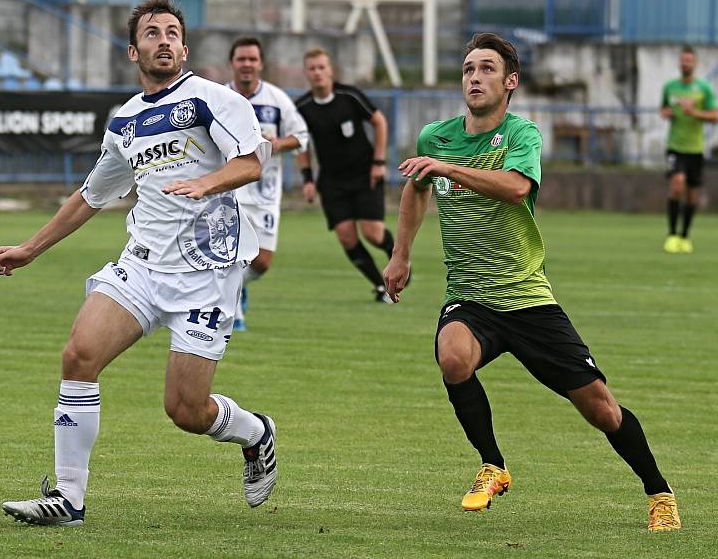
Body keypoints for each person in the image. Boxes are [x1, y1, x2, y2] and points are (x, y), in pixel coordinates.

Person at [0, 0, 278, 527]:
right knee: (79, 355)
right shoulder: (125, 122)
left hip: (206, 272)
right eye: (152, 33)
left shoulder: (211, 99)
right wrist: (30, 248)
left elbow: (255, 159)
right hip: (143, 264)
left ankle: (257, 433)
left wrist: (206, 183)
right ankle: (69, 500)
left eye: (172, 32)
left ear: (184, 47)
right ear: (133, 50)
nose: (163, 40)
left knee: (186, 410)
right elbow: (89, 197)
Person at [383, 32, 680, 532]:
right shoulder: (435, 137)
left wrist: (449, 168)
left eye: (486, 70)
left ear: (510, 82)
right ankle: (493, 465)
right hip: (470, 298)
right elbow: (417, 191)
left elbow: (518, 189)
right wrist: (400, 254)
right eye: (467, 69)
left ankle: (659, 492)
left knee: (602, 410)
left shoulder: (522, 135)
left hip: (528, 301)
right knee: (452, 357)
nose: (474, 78)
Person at [295, 48, 399, 303]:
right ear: (306, 73)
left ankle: (398, 259)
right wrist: (307, 179)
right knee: (346, 236)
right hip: (331, 181)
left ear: (330, 70)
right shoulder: (302, 108)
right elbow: (301, 144)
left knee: (373, 234)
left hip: (365, 174)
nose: (318, 72)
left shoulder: (349, 96)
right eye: (312, 68)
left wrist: (379, 161)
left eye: (322, 67)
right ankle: (380, 286)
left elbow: (379, 121)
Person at [226, 36, 309, 331]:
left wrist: (274, 144)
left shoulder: (276, 100)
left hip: (264, 194)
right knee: (229, 257)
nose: (247, 64)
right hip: (227, 193)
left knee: (261, 262)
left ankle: (238, 289)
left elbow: (300, 137)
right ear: (232, 64)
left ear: (260, 64)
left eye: (252, 59)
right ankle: (233, 312)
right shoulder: (220, 99)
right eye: (241, 59)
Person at [660, 45, 717, 254]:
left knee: (692, 195)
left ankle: (685, 236)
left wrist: (693, 112)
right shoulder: (670, 87)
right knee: (677, 186)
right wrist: (667, 113)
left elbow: (714, 115)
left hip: (695, 148)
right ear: (679, 63)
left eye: (689, 61)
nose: (686, 64)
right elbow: (663, 108)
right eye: (683, 60)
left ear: (695, 64)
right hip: (675, 146)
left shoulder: (704, 89)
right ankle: (672, 235)